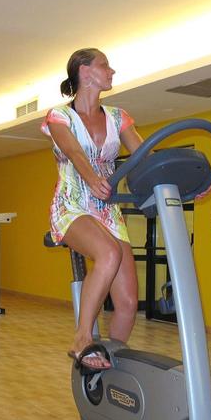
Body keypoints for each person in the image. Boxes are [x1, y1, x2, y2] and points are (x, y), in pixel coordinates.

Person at [41, 48, 143, 371]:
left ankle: (111, 367)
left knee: (128, 303)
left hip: (108, 212)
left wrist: (181, 178)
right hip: (72, 205)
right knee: (108, 254)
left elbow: (144, 156)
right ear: (85, 72)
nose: (112, 71)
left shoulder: (118, 117)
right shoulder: (60, 117)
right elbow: (73, 152)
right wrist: (92, 178)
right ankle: (82, 338)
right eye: (105, 65)